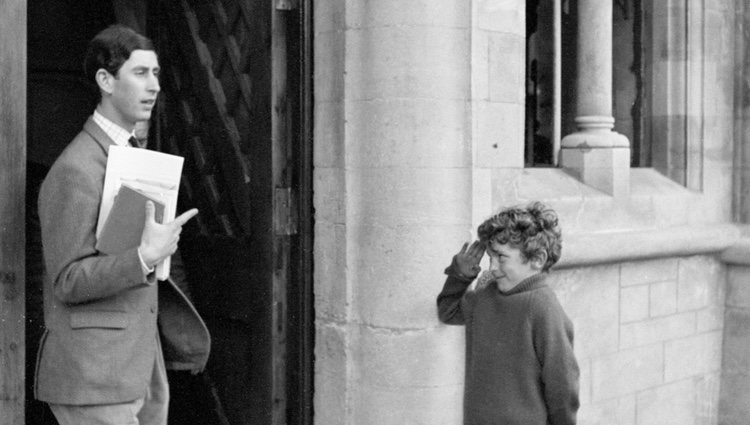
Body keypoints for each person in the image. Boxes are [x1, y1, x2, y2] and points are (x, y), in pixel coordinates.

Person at [35, 24, 210, 425]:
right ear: (105, 80)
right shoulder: (76, 169)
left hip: (138, 367)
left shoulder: (129, 156)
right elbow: (69, 280)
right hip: (95, 375)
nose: (154, 86)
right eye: (140, 73)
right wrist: (144, 257)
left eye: (157, 74)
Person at [437, 201, 579, 425]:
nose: (492, 267)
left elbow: (562, 387)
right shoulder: (485, 293)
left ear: (537, 259)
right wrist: (459, 277)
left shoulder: (543, 307)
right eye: (490, 258)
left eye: (501, 258)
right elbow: (447, 312)